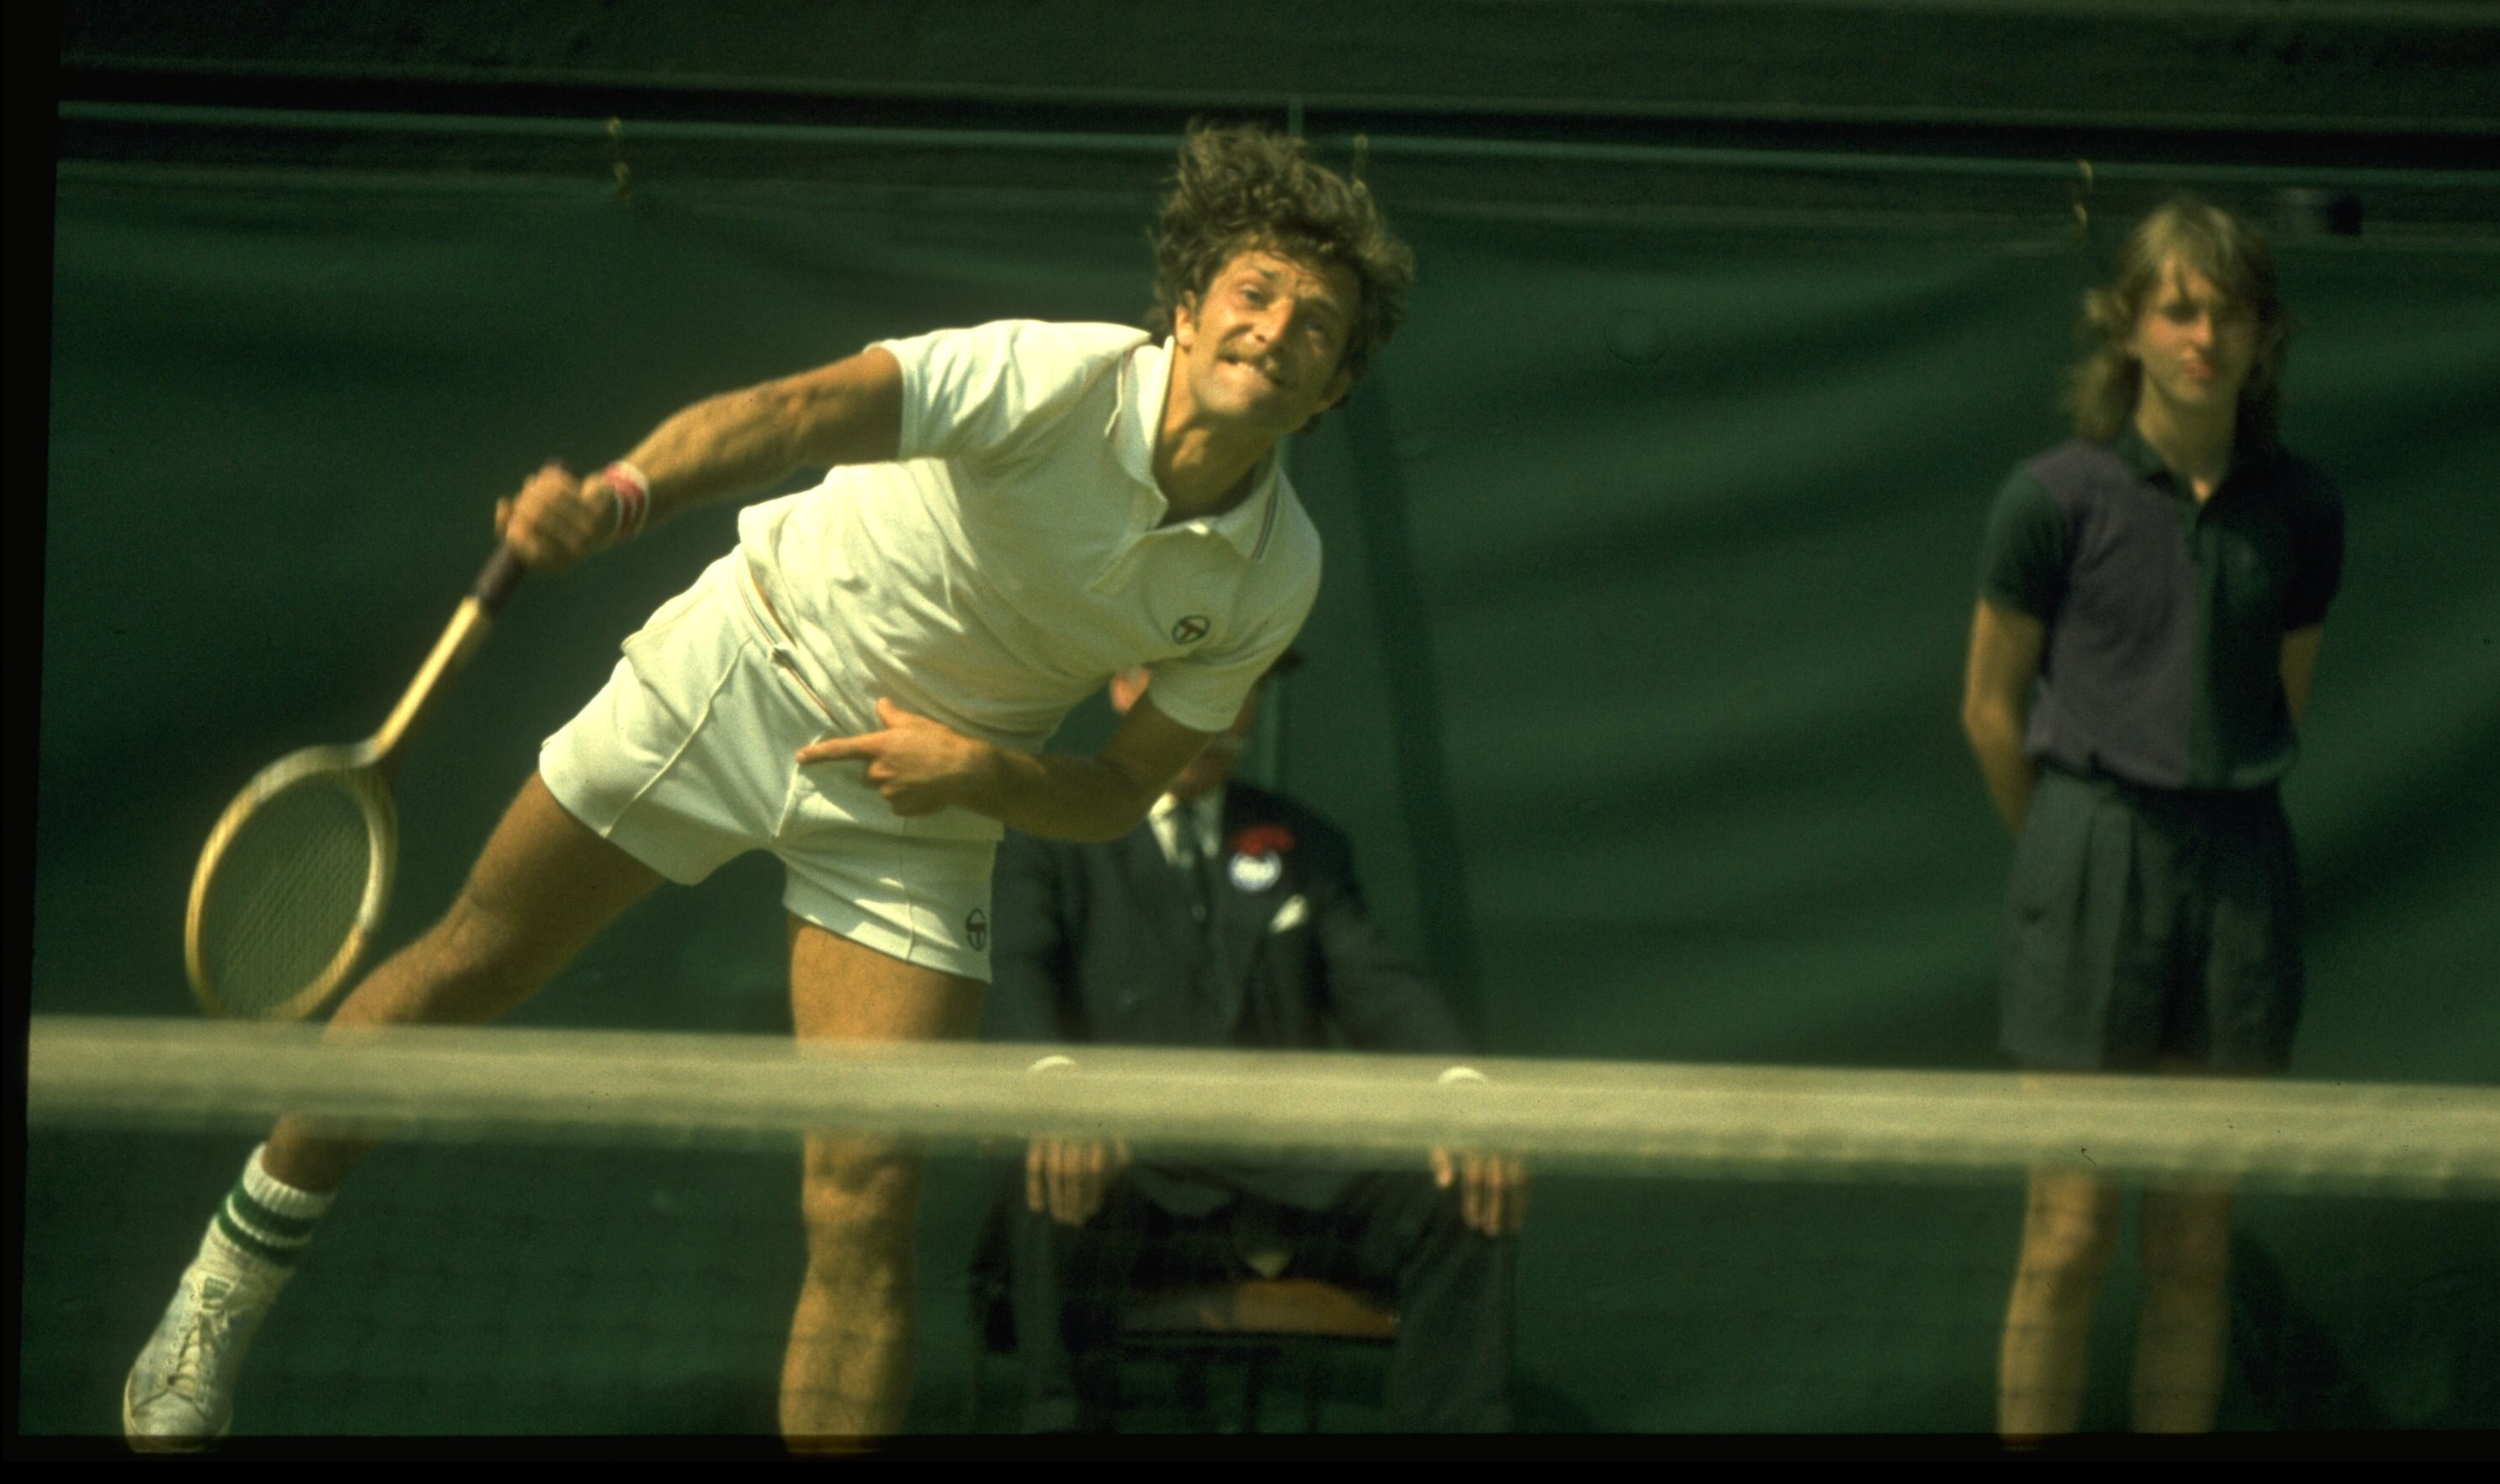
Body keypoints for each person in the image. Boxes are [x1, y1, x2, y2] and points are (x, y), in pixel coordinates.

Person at [122, 123, 1414, 1449]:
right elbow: (793, 412)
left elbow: (1119, 786)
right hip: (743, 667)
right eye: (1254, 293)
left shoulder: (1272, 571)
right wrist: (621, 496)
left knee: (866, 1190)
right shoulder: (1043, 373)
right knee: (464, 968)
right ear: (1186, 311)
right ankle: (219, 1289)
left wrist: (980, 770)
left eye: (1317, 325)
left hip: (925, 795)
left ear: (1330, 391)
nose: (1276, 327)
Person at [1962, 197, 2344, 1437]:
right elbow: (1986, 708)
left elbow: (2275, 698)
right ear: (2127, 325)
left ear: (2258, 337)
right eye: (2177, 307)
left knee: (2189, 1245)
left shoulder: (2299, 509)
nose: (2202, 335)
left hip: (2238, 883)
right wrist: (2074, 850)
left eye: (2226, 312)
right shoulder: (2046, 498)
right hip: (2082, 866)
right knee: (2066, 1235)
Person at [975, 659, 1523, 1432]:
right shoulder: (1047, 830)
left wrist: (1461, 1089)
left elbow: (1375, 983)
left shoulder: (1306, 845)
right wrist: (1058, 1094)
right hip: (1132, 1170)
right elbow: (1014, 974)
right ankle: (1060, 1420)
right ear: (1122, 687)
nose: (1208, 711)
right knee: (1052, 1159)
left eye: (1237, 686)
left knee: (1460, 1178)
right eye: (1177, 684)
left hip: (1286, 1171)